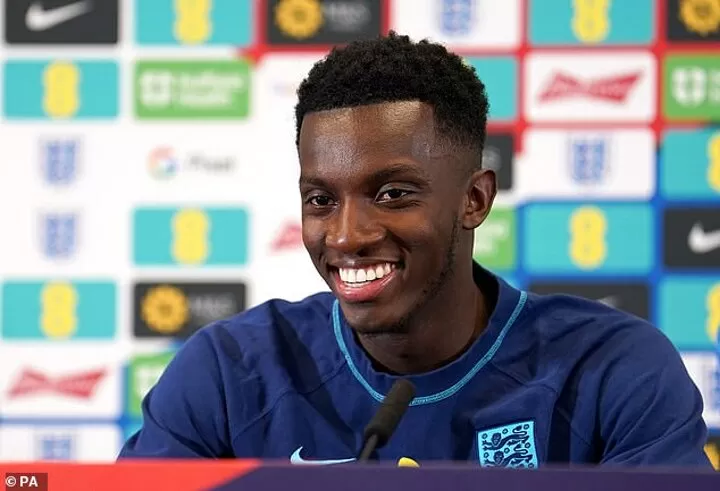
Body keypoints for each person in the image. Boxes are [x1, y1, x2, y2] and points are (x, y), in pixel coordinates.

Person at [118, 32, 713, 468]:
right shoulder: (228, 373)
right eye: (321, 200)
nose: (346, 235)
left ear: (474, 200)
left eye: (392, 194)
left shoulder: (613, 371)